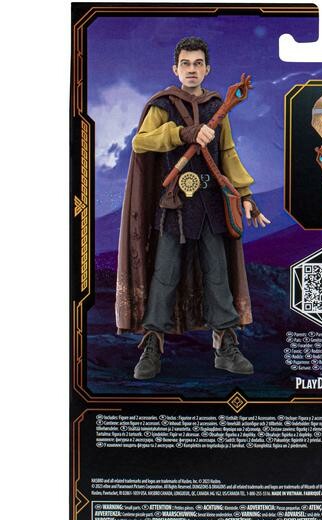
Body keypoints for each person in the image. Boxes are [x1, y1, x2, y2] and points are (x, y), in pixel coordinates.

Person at [115, 36, 271, 380]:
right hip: (173, 207)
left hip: (211, 205)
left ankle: (225, 346)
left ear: (207, 69)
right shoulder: (163, 105)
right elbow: (141, 141)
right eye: (185, 63)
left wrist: (246, 195)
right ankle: (153, 345)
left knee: (218, 275)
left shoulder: (218, 106)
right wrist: (181, 134)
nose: (191, 69)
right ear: (175, 68)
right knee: (164, 276)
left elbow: (227, 153)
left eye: (198, 63)